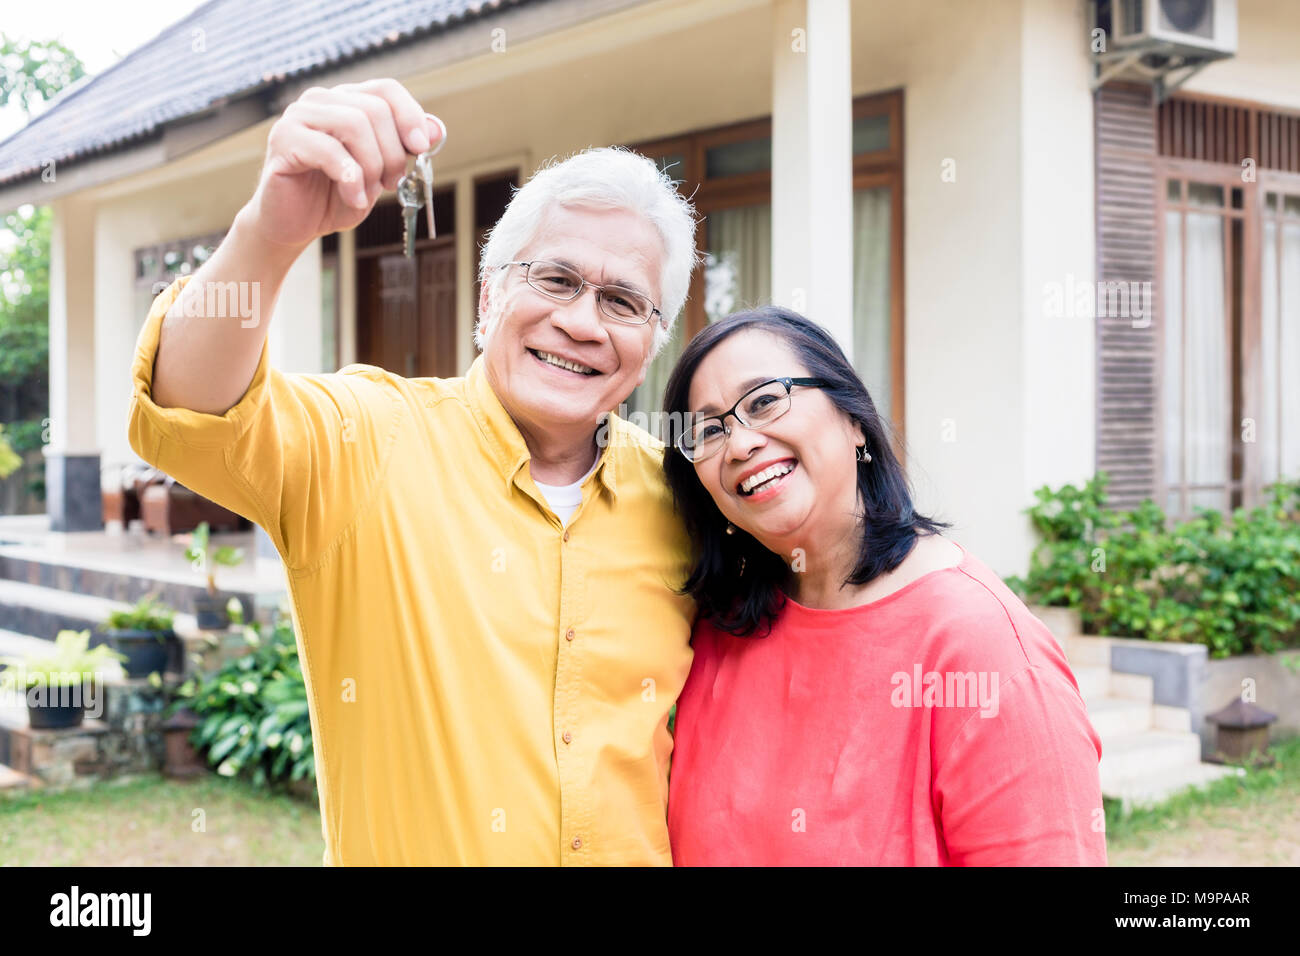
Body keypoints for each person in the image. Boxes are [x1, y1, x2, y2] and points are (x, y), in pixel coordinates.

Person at [127, 79, 701, 865]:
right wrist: (270, 232)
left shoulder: (688, 499)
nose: (580, 322)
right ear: (489, 295)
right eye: (556, 280)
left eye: (623, 301)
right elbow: (187, 407)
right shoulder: (368, 440)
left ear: (653, 341)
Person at [661, 306, 1108, 866]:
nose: (740, 443)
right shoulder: (718, 629)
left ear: (853, 419)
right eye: (707, 430)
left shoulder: (984, 650)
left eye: (765, 401)